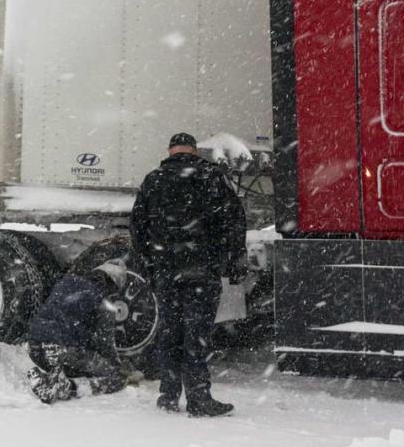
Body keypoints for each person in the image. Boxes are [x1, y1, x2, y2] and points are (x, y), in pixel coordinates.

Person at [130, 132, 246, 417]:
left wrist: (147, 264)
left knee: (169, 331)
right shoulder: (213, 177)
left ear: (170, 151)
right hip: (201, 270)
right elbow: (234, 220)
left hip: (166, 272)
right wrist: (233, 260)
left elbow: (138, 227)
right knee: (197, 334)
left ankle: (168, 395)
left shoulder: (153, 180)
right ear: (194, 152)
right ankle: (198, 398)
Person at [26, 259, 130, 404]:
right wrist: (115, 365)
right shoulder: (103, 302)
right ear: (111, 284)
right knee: (116, 377)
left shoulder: (66, 282)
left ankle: (52, 377)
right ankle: (67, 387)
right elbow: (104, 342)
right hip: (65, 350)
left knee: (79, 366)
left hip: (35, 349)